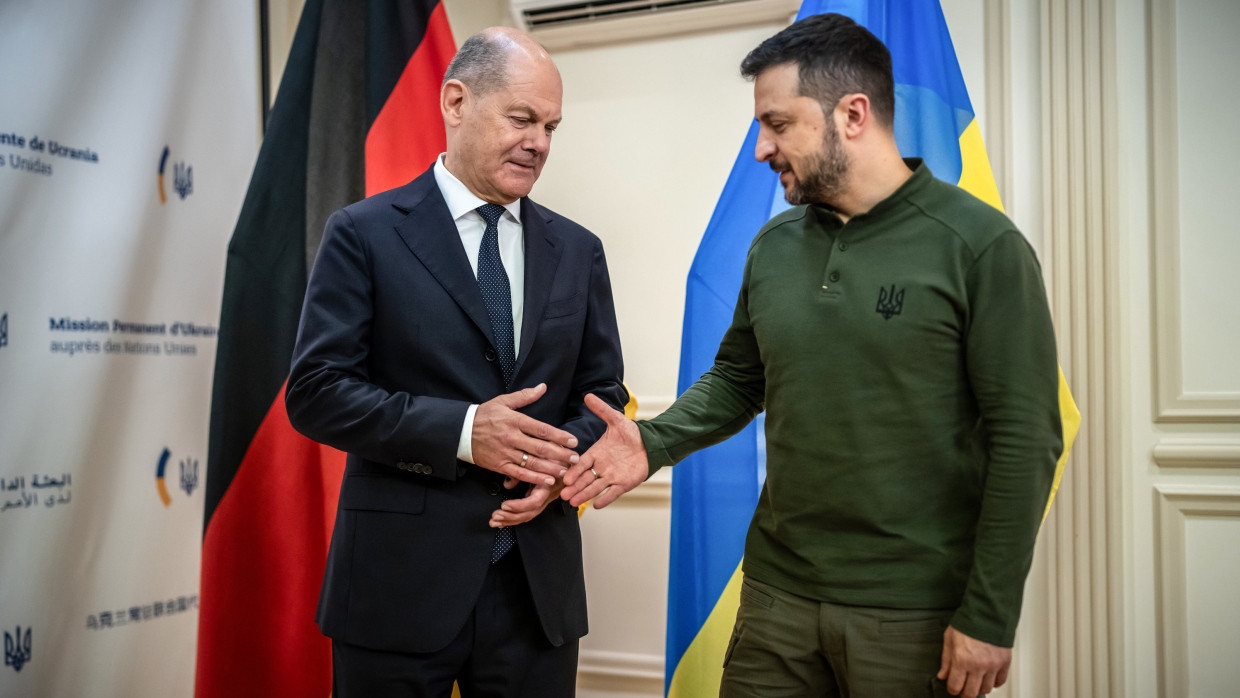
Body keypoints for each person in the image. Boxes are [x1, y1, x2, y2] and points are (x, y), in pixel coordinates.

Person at [560, 13, 1062, 698]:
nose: (761, 148)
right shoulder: (774, 246)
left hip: (913, 612)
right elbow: (740, 379)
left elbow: (1026, 438)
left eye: (778, 123)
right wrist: (652, 443)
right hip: (776, 601)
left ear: (852, 114)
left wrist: (990, 614)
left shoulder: (980, 246)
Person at [286, 27, 627, 697]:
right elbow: (318, 391)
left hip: (536, 594)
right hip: (397, 591)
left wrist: (557, 467)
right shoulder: (363, 234)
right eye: (522, 118)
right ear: (455, 101)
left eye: (551, 126)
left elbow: (602, 393)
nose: (539, 143)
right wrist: (467, 432)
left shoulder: (579, 250)